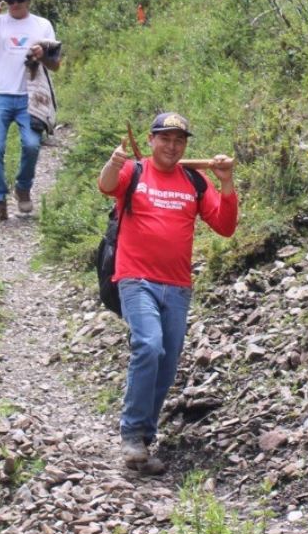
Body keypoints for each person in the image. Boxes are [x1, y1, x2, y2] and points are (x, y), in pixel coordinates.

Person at [96, 111, 237, 473]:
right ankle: (130, 432)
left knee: (167, 361)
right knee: (149, 344)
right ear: (152, 139)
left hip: (177, 286)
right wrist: (114, 162)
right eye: (165, 138)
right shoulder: (136, 171)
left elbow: (224, 226)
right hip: (135, 277)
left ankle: (143, 439)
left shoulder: (194, 180)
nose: (172, 146)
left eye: (179, 140)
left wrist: (226, 182)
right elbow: (106, 185)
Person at [0, 0, 60, 220]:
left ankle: (23, 188)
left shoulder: (42, 25)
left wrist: (43, 55)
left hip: (30, 97)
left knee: (32, 145)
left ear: (28, 1)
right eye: (9, 0)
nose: (14, 4)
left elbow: (56, 64)